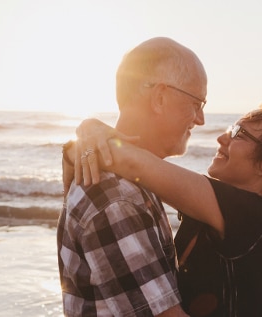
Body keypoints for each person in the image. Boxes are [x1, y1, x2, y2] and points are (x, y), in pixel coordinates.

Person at [71, 97, 262, 316]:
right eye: (232, 129)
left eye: (239, 135)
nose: (222, 138)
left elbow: (133, 164)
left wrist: (90, 131)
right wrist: (83, 140)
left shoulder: (251, 215)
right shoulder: (225, 215)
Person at [57, 37, 206, 316]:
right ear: (160, 98)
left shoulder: (134, 183)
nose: (200, 120)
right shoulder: (116, 197)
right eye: (197, 103)